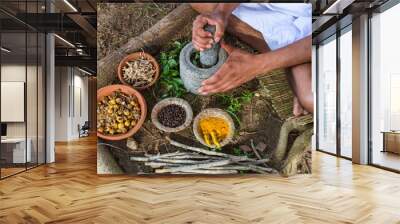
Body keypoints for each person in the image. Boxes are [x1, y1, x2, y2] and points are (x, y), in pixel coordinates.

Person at [191, 3, 313, 116]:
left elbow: (329, 31)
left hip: (322, 25)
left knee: (311, 98)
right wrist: (221, 12)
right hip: (275, 8)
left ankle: (289, 55)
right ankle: (289, 54)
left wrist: (259, 64)